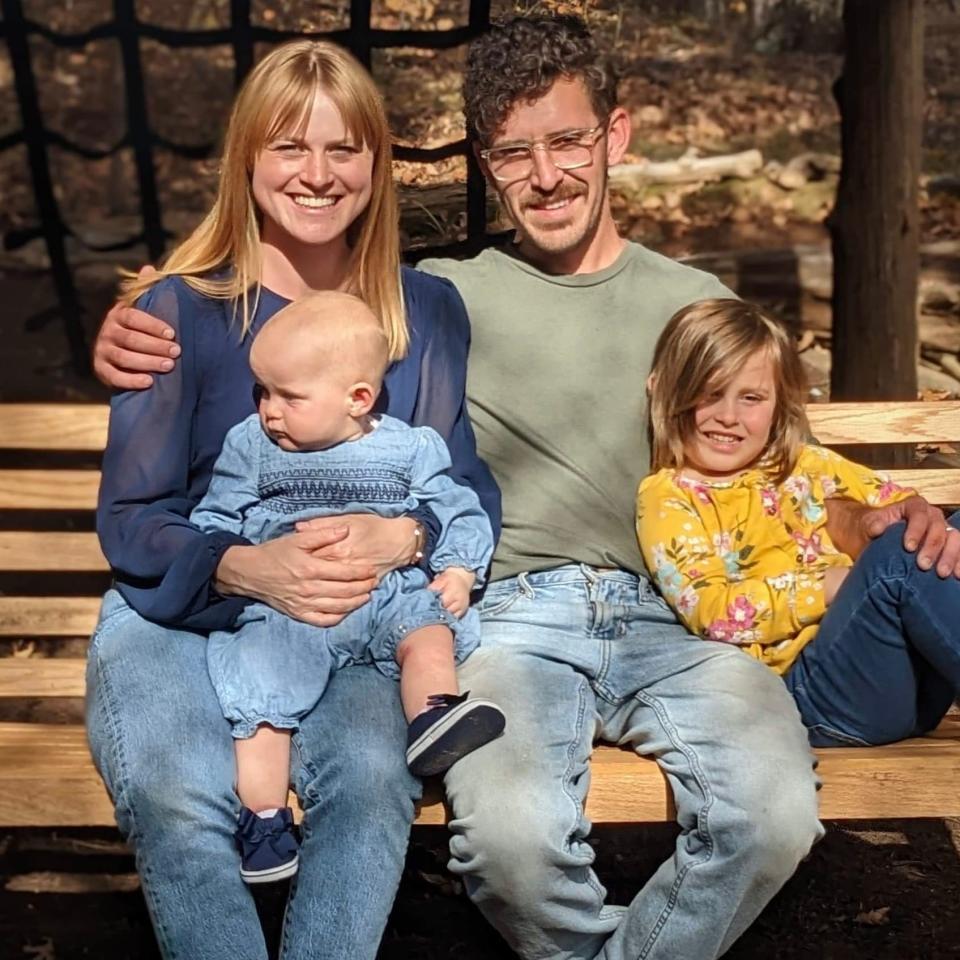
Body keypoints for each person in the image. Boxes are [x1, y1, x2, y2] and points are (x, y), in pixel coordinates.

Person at [92, 14, 960, 960]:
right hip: (501, 620)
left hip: (658, 622)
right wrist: (134, 322)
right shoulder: (439, 297)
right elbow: (260, 372)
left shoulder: (633, 303)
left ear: (615, 137)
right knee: (492, 842)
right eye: (513, 151)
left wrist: (869, 514)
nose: (544, 175)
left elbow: (770, 462)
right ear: (485, 163)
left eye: (568, 141)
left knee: (769, 815)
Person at [89, 39, 499, 960]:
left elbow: (455, 482)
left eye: (343, 149)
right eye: (288, 147)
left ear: (377, 164)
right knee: (176, 789)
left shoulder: (421, 311)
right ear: (246, 160)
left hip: (347, 613)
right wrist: (243, 565)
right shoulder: (181, 309)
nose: (317, 175)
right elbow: (131, 516)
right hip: (183, 607)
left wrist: (405, 537)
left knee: (370, 777)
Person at [193, 290, 502, 884]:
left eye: (288, 396)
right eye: (262, 391)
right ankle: (262, 821)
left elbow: (460, 509)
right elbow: (215, 520)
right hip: (291, 605)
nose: (268, 410)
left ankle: (432, 716)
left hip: (387, 592)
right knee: (262, 702)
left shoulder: (409, 447)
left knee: (429, 632)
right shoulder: (249, 446)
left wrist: (460, 569)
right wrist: (243, 563)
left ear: (358, 398)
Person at [638, 297, 960, 747]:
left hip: (910, 681)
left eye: (751, 398)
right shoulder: (670, 496)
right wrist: (827, 585)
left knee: (938, 533)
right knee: (895, 559)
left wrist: (926, 520)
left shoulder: (805, 465)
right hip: (814, 693)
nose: (728, 416)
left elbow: (896, 504)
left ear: (777, 405)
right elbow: (713, 614)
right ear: (667, 392)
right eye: (709, 393)